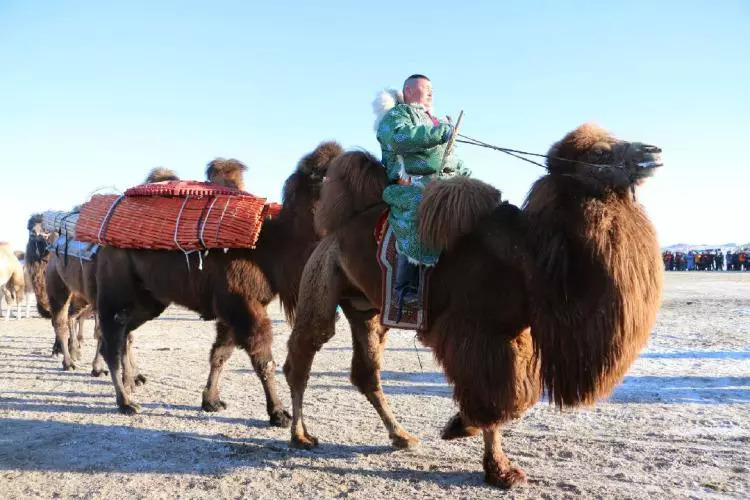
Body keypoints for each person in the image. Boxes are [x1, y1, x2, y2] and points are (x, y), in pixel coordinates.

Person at [375, 74, 470, 307]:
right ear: (408, 90)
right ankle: (404, 289)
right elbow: (399, 138)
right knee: (422, 208)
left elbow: (449, 159)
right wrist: (440, 133)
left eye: (432, 88)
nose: (431, 92)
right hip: (410, 186)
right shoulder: (397, 115)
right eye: (425, 87)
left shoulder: (434, 121)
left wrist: (465, 175)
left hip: (442, 183)